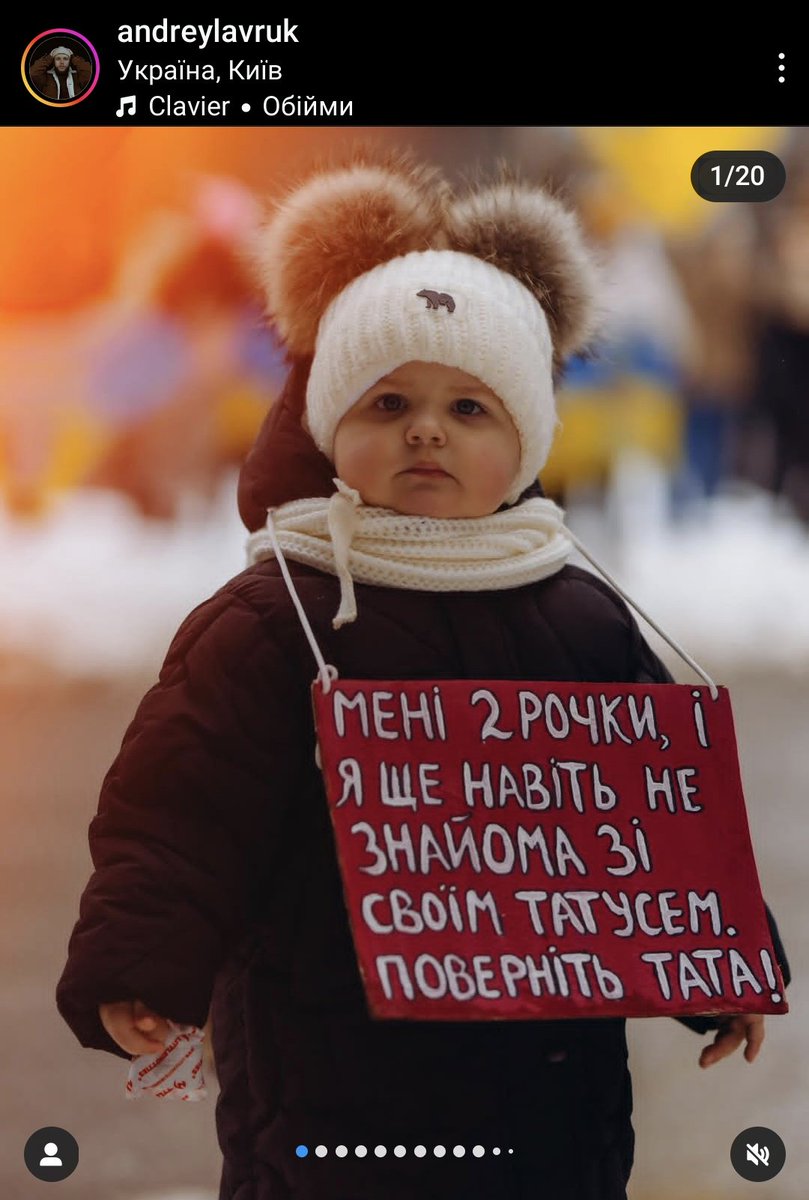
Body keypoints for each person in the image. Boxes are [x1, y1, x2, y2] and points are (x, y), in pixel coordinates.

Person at [56, 154, 791, 1200]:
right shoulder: (274, 622)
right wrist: (139, 962)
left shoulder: (579, 616)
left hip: (551, 1099)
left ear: (529, 435)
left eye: (469, 408)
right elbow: (177, 815)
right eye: (388, 400)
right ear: (325, 423)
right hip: (329, 1091)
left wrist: (718, 957)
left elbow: (658, 825)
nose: (425, 429)